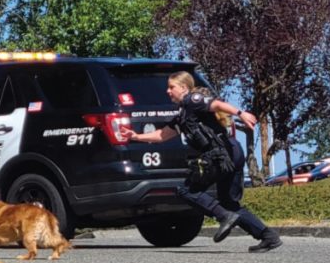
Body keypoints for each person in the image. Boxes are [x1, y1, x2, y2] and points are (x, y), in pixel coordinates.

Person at [120, 71, 282, 252]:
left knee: (187, 191)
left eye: (171, 87)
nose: (168, 91)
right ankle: (268, 236)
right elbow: (161, 135)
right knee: (229, 203)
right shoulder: (182, 113)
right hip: (231, 152)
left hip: (221, 155)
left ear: (183, 88)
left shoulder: (192, 100)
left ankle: (223, 217)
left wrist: (240, 113)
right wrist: (135, 136)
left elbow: (216, 104)